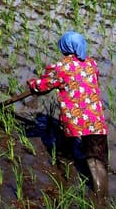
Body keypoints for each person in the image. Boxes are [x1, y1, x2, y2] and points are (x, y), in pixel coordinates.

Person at [27, 31, 109, 196]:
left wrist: (33, 85)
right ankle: (101, 196)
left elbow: (43, 85)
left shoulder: (60, 67)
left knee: (64, 153)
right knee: (97, 160)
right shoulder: (92, 64)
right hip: (96, 122)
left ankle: (63, 181)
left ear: (64, 47)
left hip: (72, 122)